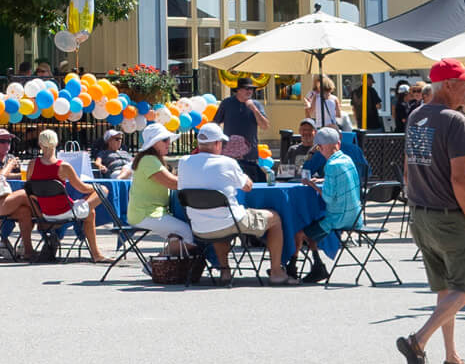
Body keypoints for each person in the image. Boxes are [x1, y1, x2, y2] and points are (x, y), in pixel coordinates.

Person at [400, 59, 465, 364]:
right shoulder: (454, 120)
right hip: (449, 217)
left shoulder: (416, 116)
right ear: (447, 85)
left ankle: (452, 360)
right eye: (463, 83)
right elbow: (460, 179)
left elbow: (409, 168)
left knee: (445, 290)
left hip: (421, 215)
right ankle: (417, 341)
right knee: (464, 290)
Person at [175, 121, 295, 285]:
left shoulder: (183, 162)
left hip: (199, 227)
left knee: (217, 218)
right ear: (217, 143)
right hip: (228, 222)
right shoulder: (227, 162)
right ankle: (276, 272)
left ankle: (225, 271)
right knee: (274, 218)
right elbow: (247, 187)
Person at [16, 129, 106, 264]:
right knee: (103, 191)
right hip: (65, 210)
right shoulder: (63, 166)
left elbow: (30, 188)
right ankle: (96, 254)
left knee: (90, 213)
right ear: (56, 143)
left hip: (45, 213)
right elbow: (82, 188)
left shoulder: (32, 164)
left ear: (40, 144)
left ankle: (60, 224)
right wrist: (95, 188)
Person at [294, 126, 362, 283]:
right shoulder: (346, 159)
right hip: (355, 216)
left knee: (300, 233)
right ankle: (317, 265)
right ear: (338, 143)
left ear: (321, 147)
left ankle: (297, 267)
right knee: (312, 229)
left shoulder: (330, 166)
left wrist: (313, 186)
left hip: (339, 218)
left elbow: (329, 198)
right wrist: (325, 180)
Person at [123, 122, 193, 254]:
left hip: (151, 212)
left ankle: (165, 267)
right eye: (165, 140)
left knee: (180, 235)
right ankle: (155, 264)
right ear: (154, 143)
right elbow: (173, 183)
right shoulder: (149, 160)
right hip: (146, 214)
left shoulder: (150, 159)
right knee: (188, 234)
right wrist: (200, 180)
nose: (169, 142)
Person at [214, 77, 268, 182]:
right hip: (229, 157)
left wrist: (254, 109)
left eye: (251, 89)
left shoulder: (256, 105)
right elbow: (215, 123)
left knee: (251, 188)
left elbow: (265, 126)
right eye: (246, 88)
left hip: (250, 157)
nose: (249, 91)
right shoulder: (227, 103)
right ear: (238, 90)